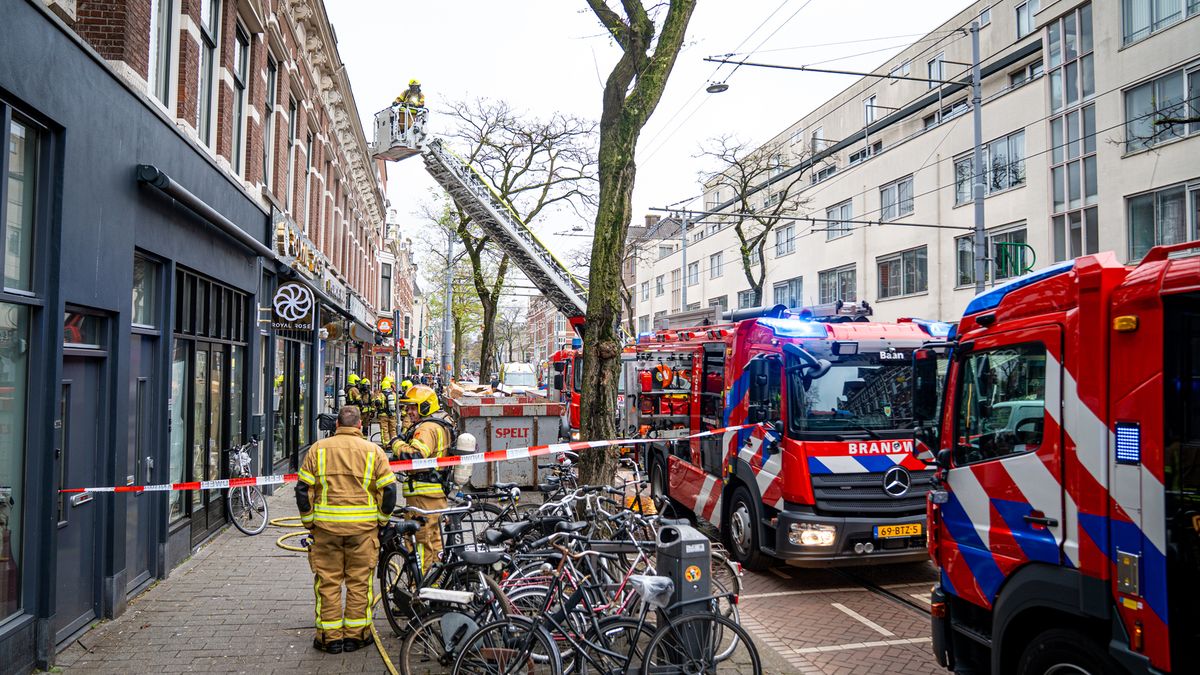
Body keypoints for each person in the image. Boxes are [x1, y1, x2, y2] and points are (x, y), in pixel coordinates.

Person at [295, 406, 396, 655]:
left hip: (325, 530)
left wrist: (309, 522)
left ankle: (329, 639)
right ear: (360, 426)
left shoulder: (318, 449)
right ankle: (356, 636)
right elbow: (390, 491)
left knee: (328, 583)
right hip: (363, 532)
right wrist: (381, 521)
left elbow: (302, 490)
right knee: (359, 582)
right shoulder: (374, 451)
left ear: (336, 425)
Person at [389, 385, 453, 573]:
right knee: (434, 541)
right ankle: (436, 585)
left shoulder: (426, 428)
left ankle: (420, 588)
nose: (408, 412)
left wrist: (397, 444)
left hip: (422, 496)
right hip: (435, 494)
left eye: (413, 407)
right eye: (408, 407)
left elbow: (416, 457)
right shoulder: (441, 422)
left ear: (425, 406)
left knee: (419, 542)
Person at [377, 377, 398, 444]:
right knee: (393, 429)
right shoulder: (394, 394)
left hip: (383, 415)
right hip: (392, 415)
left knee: (384, 430)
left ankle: (386, 444)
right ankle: (394, 443)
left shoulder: (381, 394)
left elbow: (377, 402)